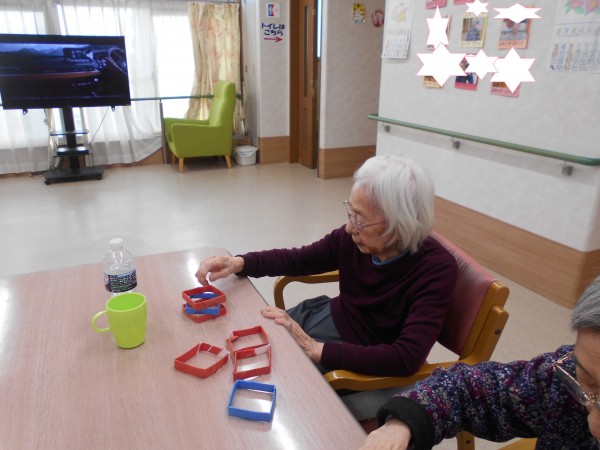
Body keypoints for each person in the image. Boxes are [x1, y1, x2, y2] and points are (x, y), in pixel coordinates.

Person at [195, 155, 458, 379]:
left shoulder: (435, 270)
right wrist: (238, 262)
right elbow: (298, 259)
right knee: (250, 342)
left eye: (360, 219)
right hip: (330, 317)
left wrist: (314, 348)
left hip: (365, 357)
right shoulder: (353, 239)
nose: (349, 228)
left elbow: (405, 357)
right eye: (350, 212)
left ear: (400, 224)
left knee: (273, 374)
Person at [359, 276, 600, 449]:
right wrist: (405, 421)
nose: (594, 425)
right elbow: (471, 389)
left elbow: (405, 355)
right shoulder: (563, 375)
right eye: (588, 383)